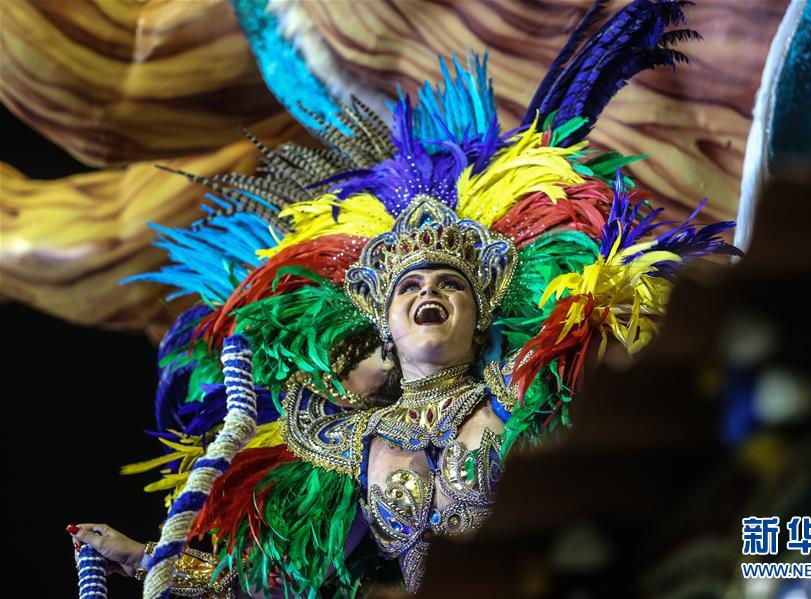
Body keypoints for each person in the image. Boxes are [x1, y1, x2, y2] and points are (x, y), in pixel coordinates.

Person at [68, 1, 740, 596]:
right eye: (409, 287)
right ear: (384, 324)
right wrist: (144, 559)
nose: (429, 291)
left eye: (451, 283)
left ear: (482, 317)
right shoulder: (346, 443)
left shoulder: (531, 389)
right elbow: (273, 582)